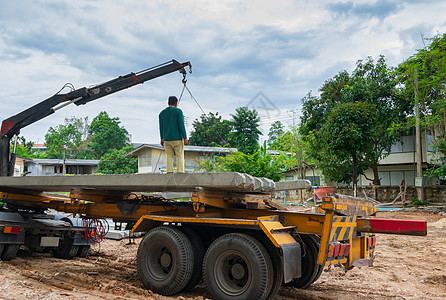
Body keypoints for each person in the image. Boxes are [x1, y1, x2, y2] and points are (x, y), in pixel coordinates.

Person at [159, 96, 188, 173]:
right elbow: (181, 125)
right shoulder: (178, 111)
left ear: (168, 103)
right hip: (177, 138)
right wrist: (185, 137)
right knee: (180, 156)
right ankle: (180, 172)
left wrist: (162, 138)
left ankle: (169, 172)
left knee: (169, 156)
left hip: (167, 139)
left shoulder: (161, 113)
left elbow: (161, 127)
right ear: (176, 103)